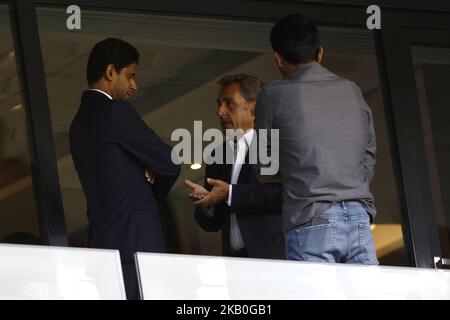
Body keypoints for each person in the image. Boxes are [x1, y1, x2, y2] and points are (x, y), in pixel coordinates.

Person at [254, 14, 378, 264]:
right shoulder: (352, 90)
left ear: (277, 57)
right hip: (359, 216)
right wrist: (346, 182)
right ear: (320, 53)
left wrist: (302, 173)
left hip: (311, 217)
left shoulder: (272, 95)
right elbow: (369, 156)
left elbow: (263, 165)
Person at [69, 38, 180, 299]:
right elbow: (169, 161)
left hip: (102, 249)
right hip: (135, 245)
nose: (134, 85)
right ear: (110, 72)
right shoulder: (116, 111)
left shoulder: (76, 126)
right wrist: (149, 178)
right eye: (130, 76)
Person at [185, 74, 284, 259]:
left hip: (275, 257)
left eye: (229, 103)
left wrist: (230, 194)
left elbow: (282, 194)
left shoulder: (275, 144)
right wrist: (207, 203)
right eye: (219, 103)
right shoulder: (217, 155)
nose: (220, 112)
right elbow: (211, 225)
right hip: (234, 261)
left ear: (255, 109)